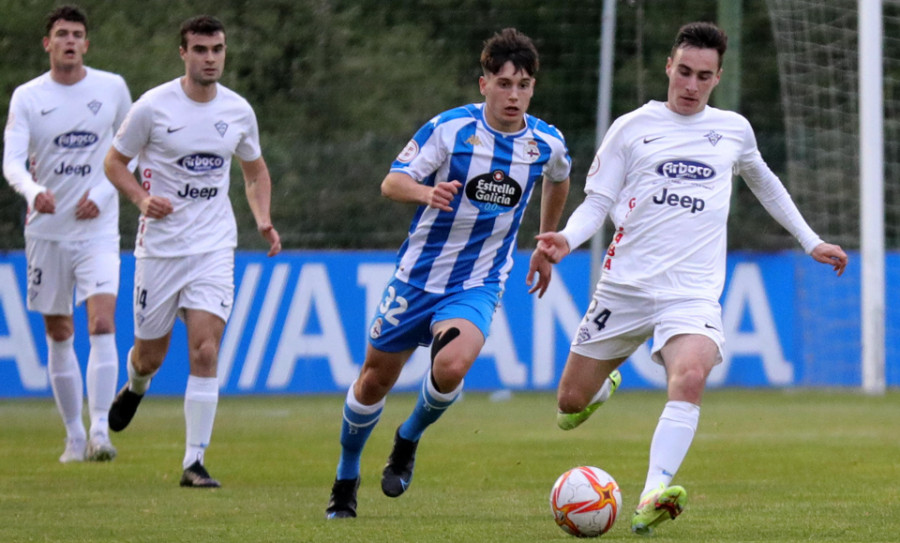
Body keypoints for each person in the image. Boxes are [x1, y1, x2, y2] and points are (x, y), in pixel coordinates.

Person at [534, 21, 848, 536]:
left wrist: (810, 240)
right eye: (684, 72)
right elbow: (598, 202)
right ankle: (605, 383)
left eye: (704, 76)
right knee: (570, 401)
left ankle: (653, 491)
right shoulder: (632, 128)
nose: (691, 85)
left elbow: (765, 183)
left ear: (717, 77)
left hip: (692, 292)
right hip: (626, 287)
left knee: (691, 375)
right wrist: (566, 238)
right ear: (668, 67)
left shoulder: (733, 130)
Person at [325, 27, 571, 519]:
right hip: (416, 277)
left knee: (452, 366)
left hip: (478, 282)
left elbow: (560, 178)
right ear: (484, 84)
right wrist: (426, 193)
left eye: (523, 84)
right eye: (504, 83)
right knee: (373, 381)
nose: (514, 95)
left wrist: (546, 240)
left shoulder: (545, 142)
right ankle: (346, 477)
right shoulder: (449, 130)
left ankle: (407, 439)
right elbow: (392, 181)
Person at [103, 14, 281, 488]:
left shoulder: (238, 111)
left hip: (213, 245)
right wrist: (141, 199)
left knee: (205, 350)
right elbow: (113, 162)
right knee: (150, 357)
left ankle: (194, 461)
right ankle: (136, 386)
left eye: (217, 49)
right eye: (200, 50)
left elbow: (255, 171)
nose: (210, 58)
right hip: (160, 250)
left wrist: (262, 218)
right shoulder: (152, 107)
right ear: (183, 53)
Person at [2, 5, 132, 463]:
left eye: (77, 34)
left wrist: (102, 190)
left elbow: (131, 150)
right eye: (62, 34)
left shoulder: (112, 88)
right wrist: (33, 190)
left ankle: (100, 430)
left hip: (97, 228)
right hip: (47, 232)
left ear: (87, 44)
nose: (70, 41)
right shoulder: (28, 96)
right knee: (59, 330)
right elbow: (12, 160)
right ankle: (73, 435)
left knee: (101, 322)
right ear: (48, 44)